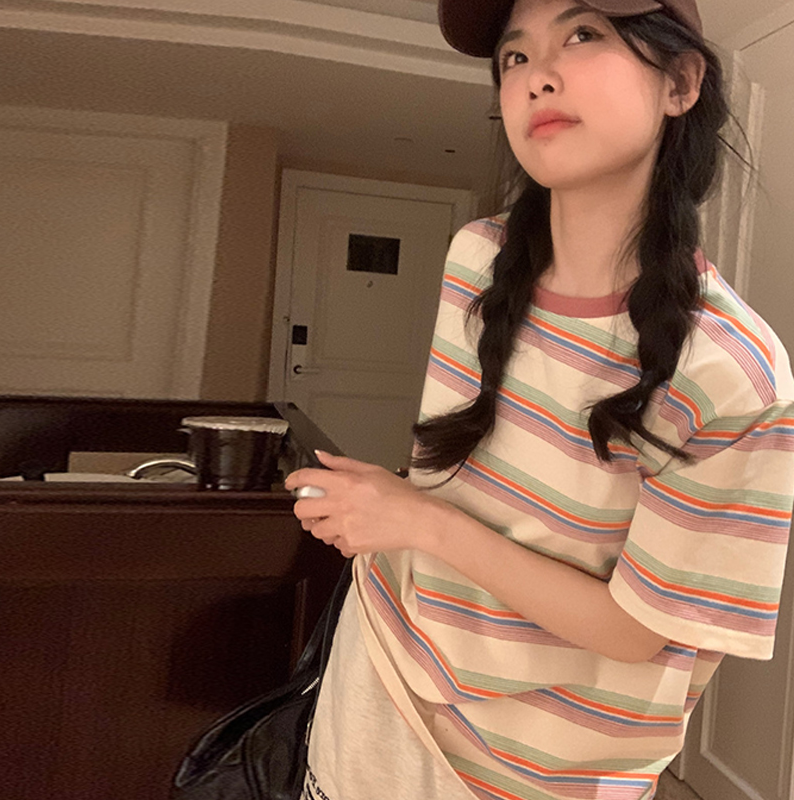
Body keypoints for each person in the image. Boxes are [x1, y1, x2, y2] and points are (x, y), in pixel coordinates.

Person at [285, 1, 794, 798]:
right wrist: (386, 513)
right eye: (514, 57)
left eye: (583, 34)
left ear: (682, 82)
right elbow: (461, 486)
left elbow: (638, 631)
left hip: (542, 769)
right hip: (380, 676)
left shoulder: (733, 370)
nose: (536, 77)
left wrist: (417, 521)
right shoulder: (477, 259)